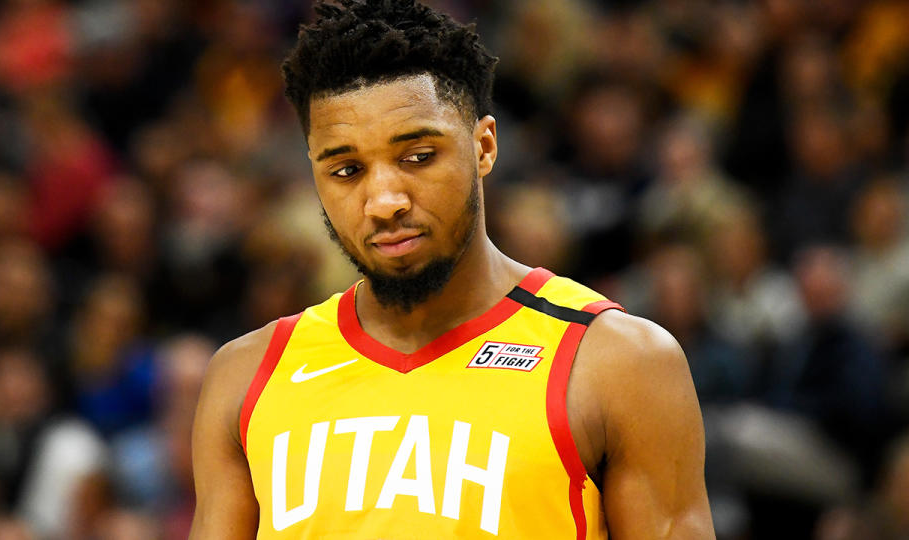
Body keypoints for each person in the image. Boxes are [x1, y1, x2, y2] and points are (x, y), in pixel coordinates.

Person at [189, 1, 713, 538]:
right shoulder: (247, 376)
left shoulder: (618, 363)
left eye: (418, 156)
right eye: (347, 170)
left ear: (484, 146)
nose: (384, 201)